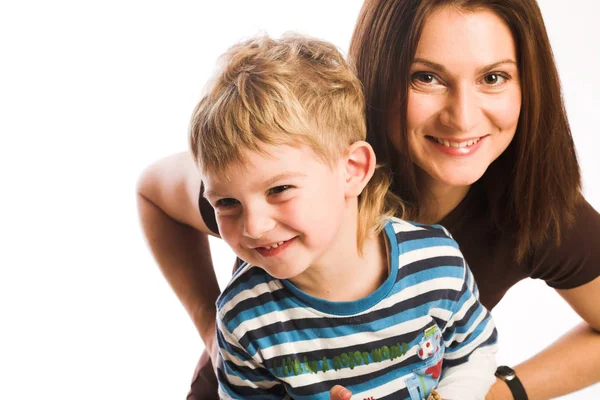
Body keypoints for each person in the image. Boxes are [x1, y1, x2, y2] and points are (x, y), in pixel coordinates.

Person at [136, 0, 600, 399]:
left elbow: (472, 353)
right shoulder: (289, 164)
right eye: (426, 78)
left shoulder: (535, 205)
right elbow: (154, 193)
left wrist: (493, 392)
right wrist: (208, 325)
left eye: (494, 77)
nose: (462, 117)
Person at [189, 33, 497, 400]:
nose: (253, 226)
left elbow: (475, 353)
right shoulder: (244, 317)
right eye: (226, 203)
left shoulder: (436, 263)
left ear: (352, 170)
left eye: (279, 190)